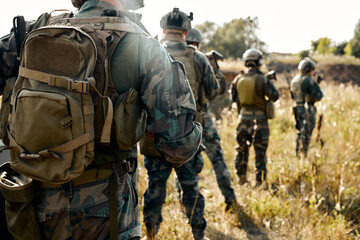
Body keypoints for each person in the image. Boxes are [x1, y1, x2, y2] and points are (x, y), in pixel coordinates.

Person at [0, 1, 202, 239]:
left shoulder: (32, 32)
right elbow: (179, 147)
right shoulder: (143, 46)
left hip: (34, 206)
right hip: (108, 211)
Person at [140, 8, 217, 240]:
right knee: (191, 189)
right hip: (187, 140)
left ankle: (151, 233)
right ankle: (198, 235)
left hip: (153, 139)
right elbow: (213, 92)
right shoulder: (199, 58)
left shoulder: (147, 54)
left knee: (155, 188)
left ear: (163, 30)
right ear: (186, 32)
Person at [185, 27, 237, 211]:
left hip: (182, 121)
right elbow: (216, 92)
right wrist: (216, 71)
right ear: (197, 43)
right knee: (218, 159)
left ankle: (186, 205)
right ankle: (230, 200)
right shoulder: (202, 60)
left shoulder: (170, 56)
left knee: (184, 161)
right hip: (203, 118)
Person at [230, 49, 279, 187]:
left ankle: (242, 178)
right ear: (259, 62)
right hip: (260, 121)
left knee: (241, 150)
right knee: (260, 152)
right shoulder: (262, 79)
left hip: (242, 119)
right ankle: (260, 182)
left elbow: (233, 98)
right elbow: (274, 96)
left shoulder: (238, 78)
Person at [290, 57, 323, 157]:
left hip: (296, 108)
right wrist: (317, 85)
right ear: (310, 69)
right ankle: (304, 154)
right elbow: (318, 96)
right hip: (307, 109)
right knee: (307, 133)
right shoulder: (309, 80)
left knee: (300, 132)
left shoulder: (295, 80)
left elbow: (293, 95)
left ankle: (297, 153)